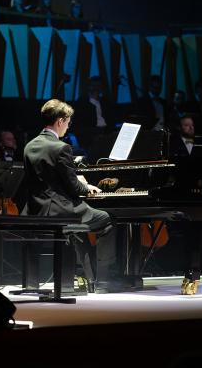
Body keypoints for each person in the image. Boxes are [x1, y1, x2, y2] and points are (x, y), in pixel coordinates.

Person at [22, 99, 129, 293]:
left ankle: (88, 276)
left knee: (82, 225)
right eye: (68, 123)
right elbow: (73, 187)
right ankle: (104, 281)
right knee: (106, 220)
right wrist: (88, 187)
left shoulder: (29, 145)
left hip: (35, 210)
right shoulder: (61, 147)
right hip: (61, 211)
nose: (68, 127)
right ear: (60, 121)